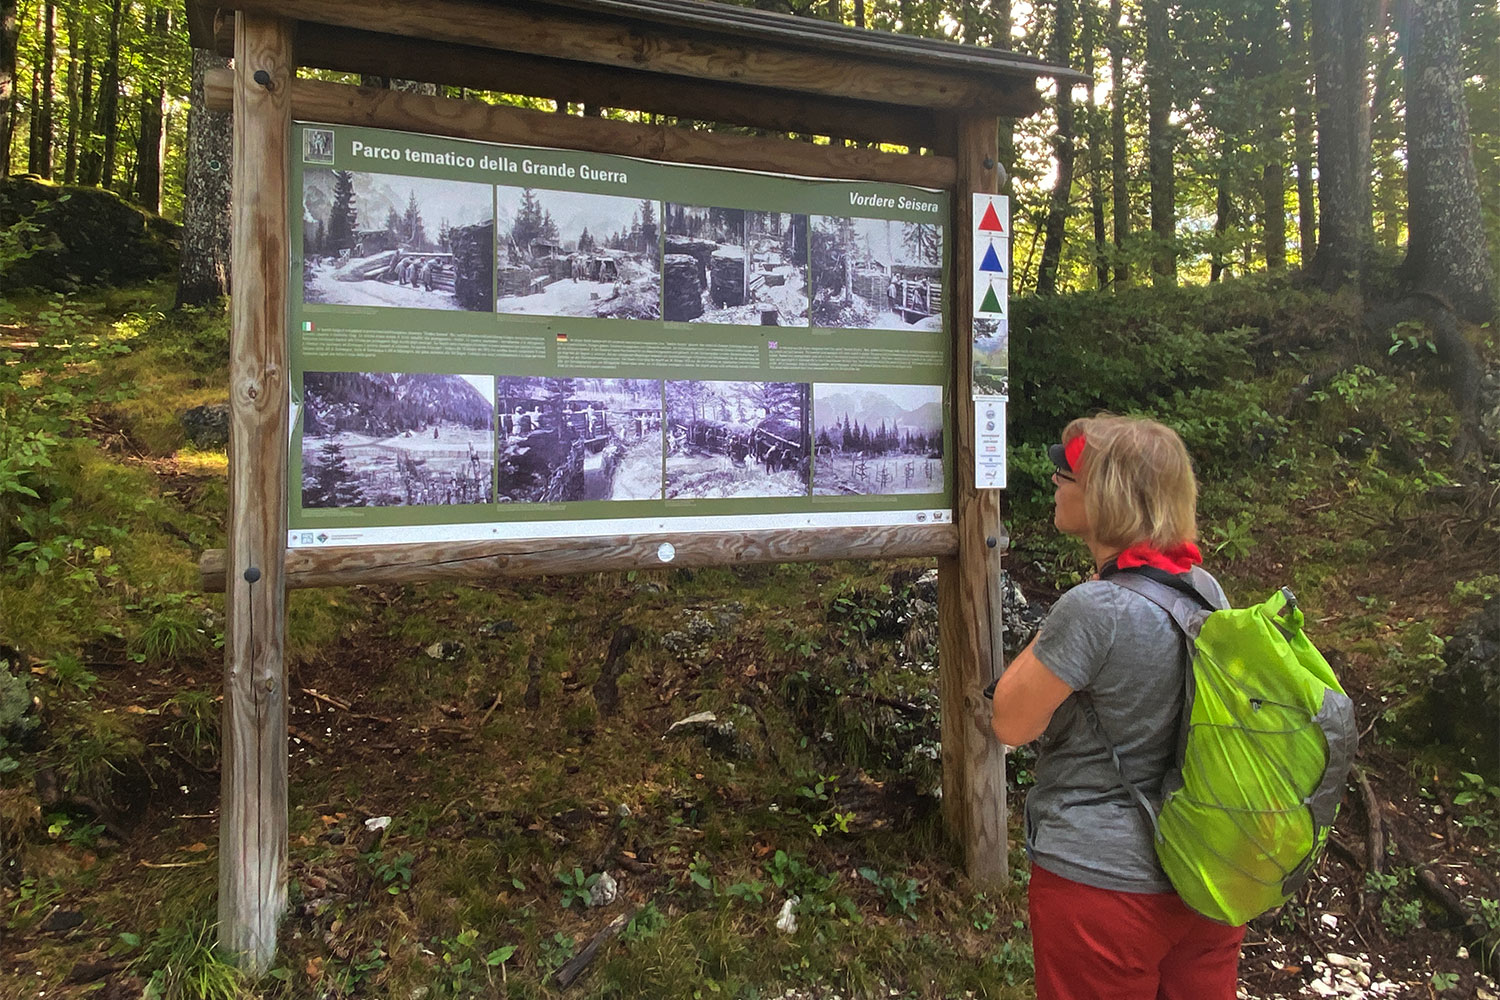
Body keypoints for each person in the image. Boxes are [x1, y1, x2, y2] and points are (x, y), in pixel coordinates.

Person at [989, 414, 1244, 1000]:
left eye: (1068, 472)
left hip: (1100, 889)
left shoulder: (1093, 609)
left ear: (1108, 495)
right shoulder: (1205, 590)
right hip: (1203, 875)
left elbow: (1011, 720)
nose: (1054, 479)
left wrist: (1064, 618)